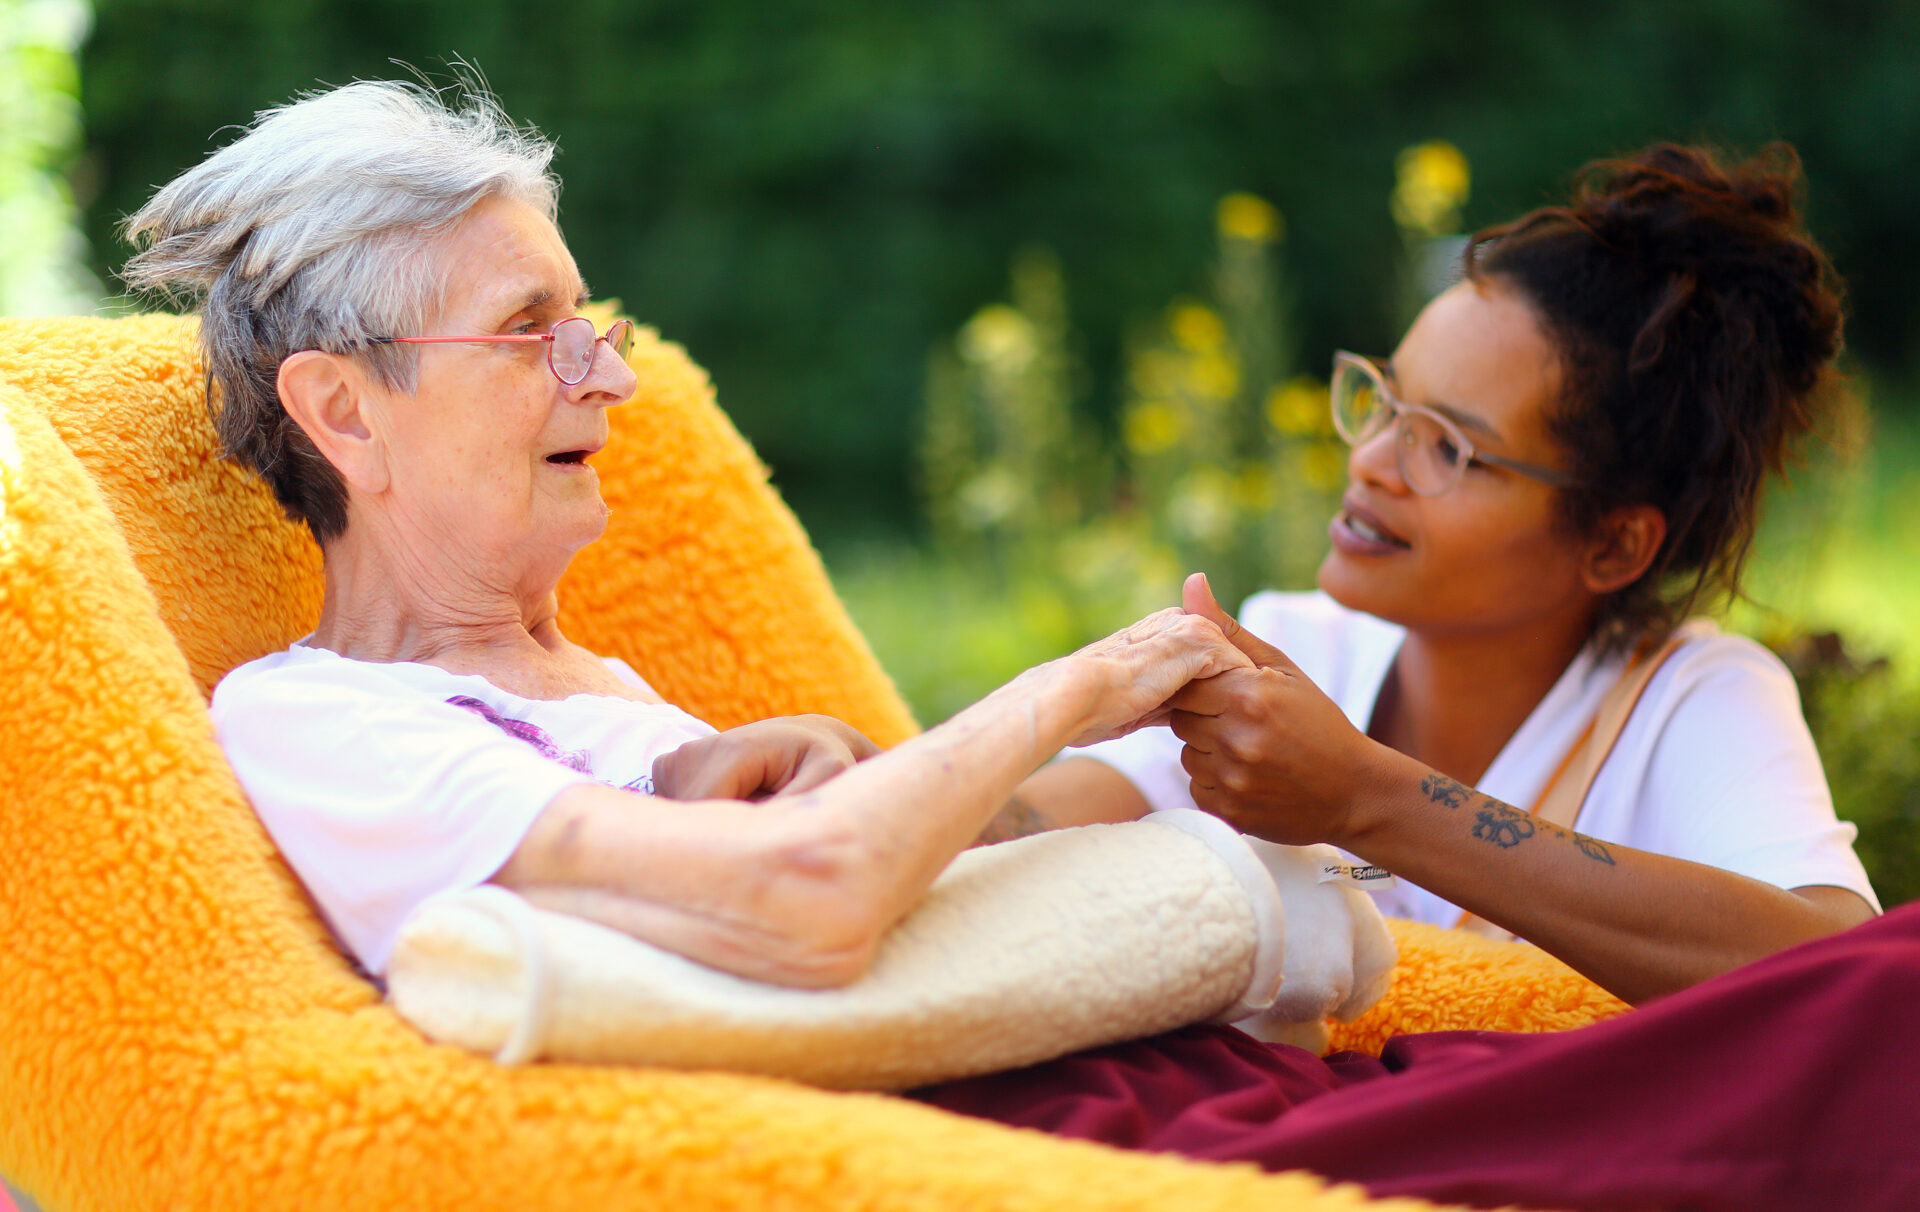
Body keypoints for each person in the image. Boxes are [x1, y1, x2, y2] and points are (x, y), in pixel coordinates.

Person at [122, 79, 1253, 989]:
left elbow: (959, 849)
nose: (611, 375)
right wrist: (1063, 694)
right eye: (530, 332)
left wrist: (1193, 736)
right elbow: (805, 902)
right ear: (345, 413)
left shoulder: (600, 688)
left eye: (588, 324)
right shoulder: (323, 720)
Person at [998, 144, 1879, 1003]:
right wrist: (888, 783)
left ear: (1613, 545)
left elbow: (1839, 968)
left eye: (1449, 448)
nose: (1373, 460)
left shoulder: (1688, 703)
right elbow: (1038, 828)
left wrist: (1370, 801)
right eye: (1386, 402)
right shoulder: (1297, 650)